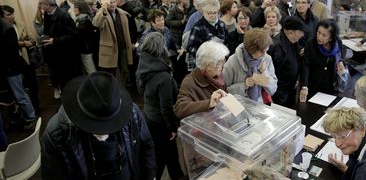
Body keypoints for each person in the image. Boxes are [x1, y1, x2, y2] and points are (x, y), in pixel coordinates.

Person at [41, 72, 156, 179]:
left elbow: (146, 146)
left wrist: (150, 176)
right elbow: (52, 175)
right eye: (95, 125)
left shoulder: (133, 114)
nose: (103, 133)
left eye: (109, 124)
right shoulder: (56, 134)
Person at [136, 33, 184, 180]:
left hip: (148, 117)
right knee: (165, 158)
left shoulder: (142, 68)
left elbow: (141, 92)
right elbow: (166, 107)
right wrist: (173, 128)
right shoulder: (164, 78)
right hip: (162, 124)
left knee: (161, 157)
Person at [0, 8, 37, 129]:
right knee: (16, 95)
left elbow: (10, 50)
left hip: (12, 67)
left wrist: (23, 43)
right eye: (8, 14)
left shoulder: (7, 27)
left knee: (20, 94)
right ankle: (23, 117)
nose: (12, 16)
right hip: (10, 67)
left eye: (12, 14)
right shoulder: (6, 26)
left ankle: (31, 118)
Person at [174, 41, 229, 119]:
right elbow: (179, 109)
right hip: (202, 127)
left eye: (224, 60)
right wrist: (209, 103)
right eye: (219, 62)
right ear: (206, 65)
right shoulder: (190, 82)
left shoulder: (219, 76)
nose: (223, 65)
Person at [223, 28, 277, 104]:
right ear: (252, 50)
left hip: (258, 106)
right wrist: (243, 86)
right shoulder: (232, 61)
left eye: (266, 51)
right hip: (237, 106)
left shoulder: (267, 59)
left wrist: (265, 72)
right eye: (262, 52)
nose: (264, 55)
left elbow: (273, 89)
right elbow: (223, 91)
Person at [40, 0, 82, 90]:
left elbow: (74, 35)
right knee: (61, 80)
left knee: (69, 81)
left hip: (66, 55)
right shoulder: (47, 14)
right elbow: (48, 30)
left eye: (41, 3)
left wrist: (55, 40)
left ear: (47, 4)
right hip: (55, 54)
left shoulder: (63, 15)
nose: (39, 6)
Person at [92, 0, 134, 85]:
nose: (112, 4)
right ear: (105, 3)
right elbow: (97, 24)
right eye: (110, 3)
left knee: (125, 70)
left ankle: (122, 89)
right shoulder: (102, 12)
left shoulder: (121, 12)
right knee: (112, 71)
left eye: (114, 2)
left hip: (122, 46)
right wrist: (103, 9)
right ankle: (114, 90)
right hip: (111, 48)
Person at [300, 20, 345, 101]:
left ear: (331, 38)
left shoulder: (338, 43)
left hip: (332, 85)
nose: (319, 37)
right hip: (314, 85)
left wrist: (341, 62)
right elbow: (305, 65)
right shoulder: (311, 44)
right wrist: (304, 86)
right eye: (318, 32)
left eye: (324, 35)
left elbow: (341, 56)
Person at [268, 18, 305, 108]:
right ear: (291, 32)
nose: (302, 34)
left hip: (289, 89)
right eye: (300, 32)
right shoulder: (277, 46)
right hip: (279, 92)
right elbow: (273, 71)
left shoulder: (292, 41)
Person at [186, 0, 226, 70]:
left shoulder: (221, 24)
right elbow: (190, 47)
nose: (212, 15)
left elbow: (226, 41)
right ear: (203, 12)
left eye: (215, 13)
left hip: (219, 61)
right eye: (209, 13)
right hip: (204, 63)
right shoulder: (198, 26)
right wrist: (204, 56)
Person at [75, 0, 99, 74]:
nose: (74, 9)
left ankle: (95, 85)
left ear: (80, 8)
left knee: (91, 70)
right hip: (87, 48)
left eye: (75, 7)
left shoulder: (84, 20)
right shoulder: (84, 18)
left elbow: (79, 35)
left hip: (86, 49)